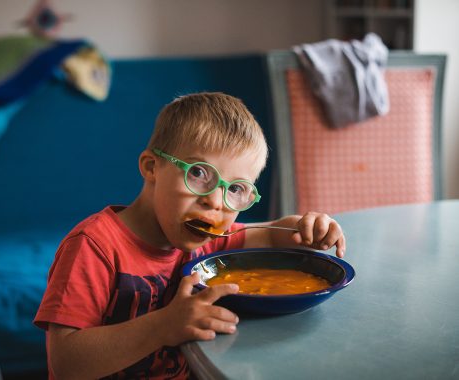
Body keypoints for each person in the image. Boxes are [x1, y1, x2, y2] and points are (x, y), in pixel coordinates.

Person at [34, 92, 346, 379]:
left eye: (236, 189)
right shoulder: (94, 246)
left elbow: (270, 236)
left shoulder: (207, 238)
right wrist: (164, 326)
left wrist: (307, 227)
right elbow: (65, 364)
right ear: (151, 167)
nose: (215, 202)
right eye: (198, 173)